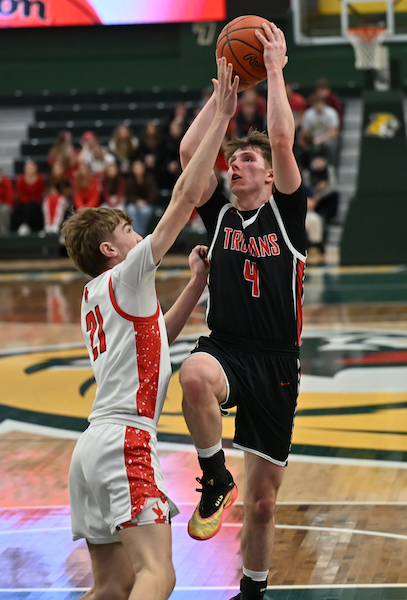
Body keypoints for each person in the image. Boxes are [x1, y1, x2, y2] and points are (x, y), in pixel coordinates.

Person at [61, 57, 239, 600]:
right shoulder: (129, 272)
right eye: (129, 229)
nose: (140, 234)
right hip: (125, 440)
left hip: (88, 451)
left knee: (110, 589)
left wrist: (195, 286)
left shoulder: (96, 294)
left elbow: (156, 337)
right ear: (112, 250)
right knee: (158, 575)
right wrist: (222, 115)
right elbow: (186, 196)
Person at [178, 23, 307, 600]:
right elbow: (190, 154)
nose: (238, 165)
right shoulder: (220, 217)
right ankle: (213, 475)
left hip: (277, 360)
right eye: (235, 160)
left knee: (263, 503)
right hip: (227, 346)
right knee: (194, 375)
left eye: (248, 160)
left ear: (272, 175)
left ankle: (252, 592)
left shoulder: (288, 213)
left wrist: (274, 69)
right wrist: (220, 101)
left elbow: (283, 139)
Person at [298, 94, 340, 166]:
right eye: (316, 104)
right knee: (302, 147)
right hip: (312, 139)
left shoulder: (331, 113)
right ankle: (305, 168)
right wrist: (310, 140)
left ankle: (331, 167)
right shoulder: (308, 114)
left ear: (324, 103)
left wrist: (320, 140)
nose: (318, 106)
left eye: (320, 103)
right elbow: (305, 130)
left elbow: (333, 131)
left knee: (329, 145)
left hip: (327, 139)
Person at [125, 159, 157, 237]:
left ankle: (142, 232)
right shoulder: (130, 180)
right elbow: (128, 194)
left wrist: (145, 202)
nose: (137, 170)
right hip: (133, 203)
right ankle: (136, 233)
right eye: (135, 168)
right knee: (131, 210)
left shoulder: (149, 179)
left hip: (147, 203)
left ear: (143, 168)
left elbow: (153, 193)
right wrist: (136, 201)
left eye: (139, 168)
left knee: (145, 211)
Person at [14, 159, 45, 234]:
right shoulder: (20, 180)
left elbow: (40, 195)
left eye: (32, 167)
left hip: (36, 206)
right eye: (28, 167)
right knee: (29, 206)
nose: (30, 169)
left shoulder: (40, 179)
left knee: (32, 205)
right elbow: (20, 197)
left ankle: (26, 225)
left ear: (36, 168)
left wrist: (32, 201)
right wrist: (30, 201)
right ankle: (25, 225)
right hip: (23, 206)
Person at [0, 168, 14, 234]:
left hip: (6, 206)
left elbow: (10, 200)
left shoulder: (7, 182)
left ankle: (3, 235)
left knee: (4, 210)